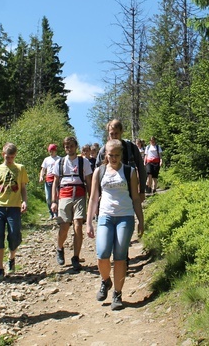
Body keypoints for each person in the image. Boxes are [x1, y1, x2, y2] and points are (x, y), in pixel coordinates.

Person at [86, 139, 144, 311]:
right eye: (110, 155)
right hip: (105, 216)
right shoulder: (99, 171)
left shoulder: (129, 171)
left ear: (121, 155)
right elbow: (93, 198)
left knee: (120, 257)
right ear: (105, 155)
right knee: (102, 253)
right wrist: (89, 222)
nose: (113, 158)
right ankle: (106, 281)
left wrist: (141, 220)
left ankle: (117, 294)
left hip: (125, 217)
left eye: (116, 155)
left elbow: (135, 198)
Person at [0, 143, 28, 281]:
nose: (10, 159)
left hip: (14, 207)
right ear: (3, 155)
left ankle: (11, 257)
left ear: (15, 156)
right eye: (8, 157)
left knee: (14, 234)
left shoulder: (20, 169)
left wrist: (24, 201)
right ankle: (0, 268)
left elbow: (23, 188)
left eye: (12, 157)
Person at [51, 136, 92, 272]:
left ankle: (75, 257)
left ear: (76, 146)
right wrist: (53, 201)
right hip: (64, 194)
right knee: (64, 226)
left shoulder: (83, 162)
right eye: (67, 146)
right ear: (64, 148)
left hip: (80, 193)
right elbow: (55, 183)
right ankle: (59, 247)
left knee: (78, 225)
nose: (69, 148)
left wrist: (92, 199)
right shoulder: (60, 162)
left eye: (71, 146)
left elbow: (88, 180)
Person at [95, 119, 147, 201]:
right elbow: (97, 174)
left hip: (129, 191)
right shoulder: (103, 151)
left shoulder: (131, 148)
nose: (114, 136)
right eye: (112, 134)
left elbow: (141, 168)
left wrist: (142, 191)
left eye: (116, 133)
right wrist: (97, 194)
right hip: (109, 194)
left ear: (121, 131)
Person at [39, 144, 59, 220]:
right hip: (48, 180)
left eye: (52, 151)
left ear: (55, 151)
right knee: (48, 198)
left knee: (56, 197)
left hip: (56, 180)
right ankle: (51, 213)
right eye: (49, 151)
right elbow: (43, 169)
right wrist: (41, 176)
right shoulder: (46, 159)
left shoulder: (59, 159)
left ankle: (56, 213)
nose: (51, 152)